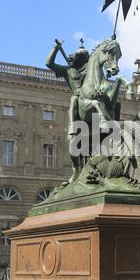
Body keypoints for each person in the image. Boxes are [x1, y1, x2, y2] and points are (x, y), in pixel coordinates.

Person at [46, 40, 90, 180]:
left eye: (84, 58)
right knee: (74, 99)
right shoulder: (68, 71)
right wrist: (56, 48)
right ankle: (73, 125)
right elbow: (49, 64)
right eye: (79, 57)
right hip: (77, 99)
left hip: (90, 99)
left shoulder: (89, 71)